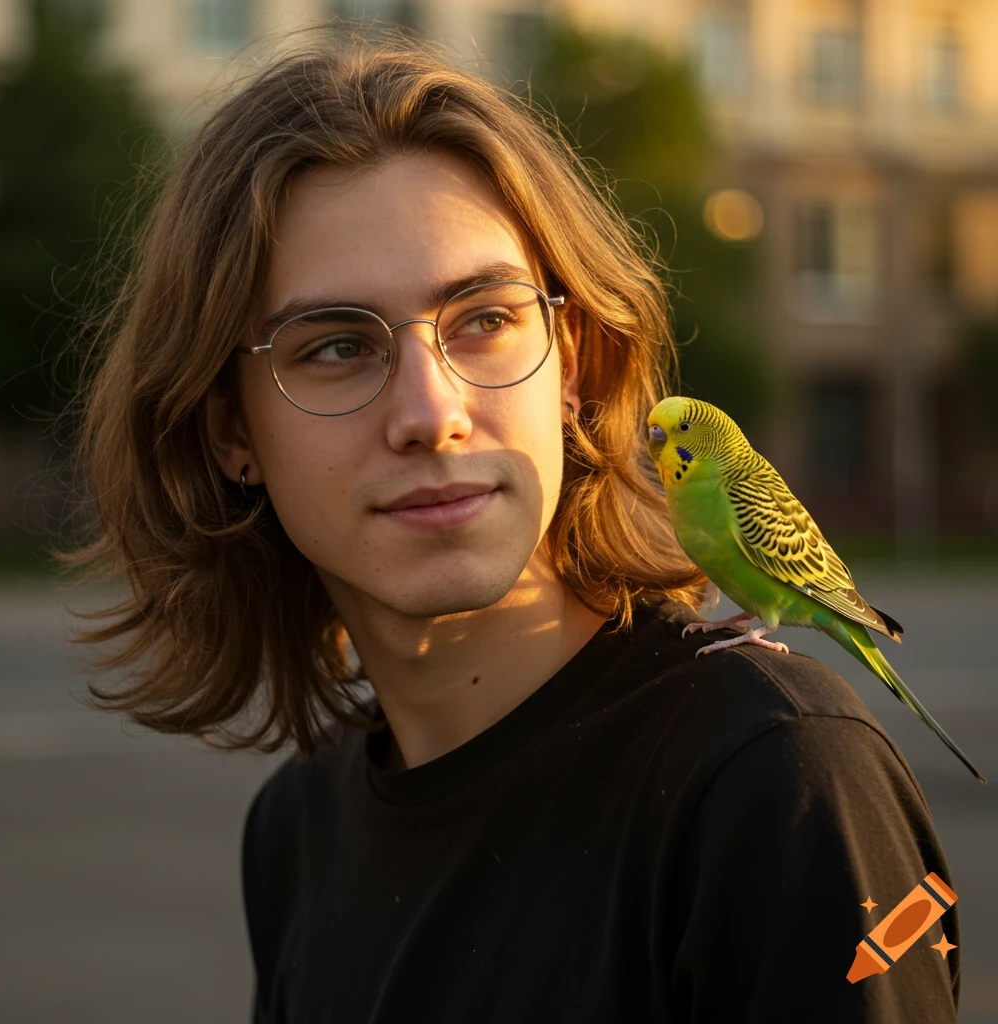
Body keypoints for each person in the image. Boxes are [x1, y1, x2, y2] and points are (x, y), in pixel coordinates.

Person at [67, 25, 961, 1024]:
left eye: (483, 320)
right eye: (334, 347)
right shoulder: (295, 828)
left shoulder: (772, 777)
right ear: (229, 428)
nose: (428, 412)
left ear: (570, 364)